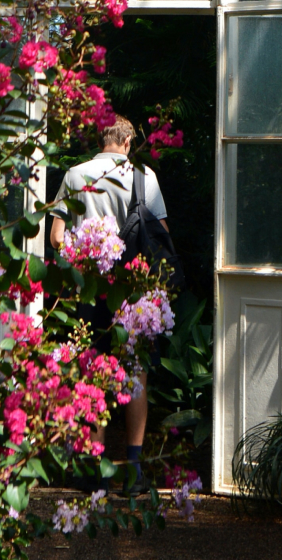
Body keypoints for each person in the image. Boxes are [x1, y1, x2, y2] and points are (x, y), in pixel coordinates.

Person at [50, 116, 169, 492]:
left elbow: (55, 238)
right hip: (134, 292)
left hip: (92, 290)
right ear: (128, 142)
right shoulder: (144, 177)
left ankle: (92, 467)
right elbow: (161, 236)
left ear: (103, 139)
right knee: (136, 376)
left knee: (93, 373)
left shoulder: (74, 174)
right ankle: (133, 472)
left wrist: (84, 256)